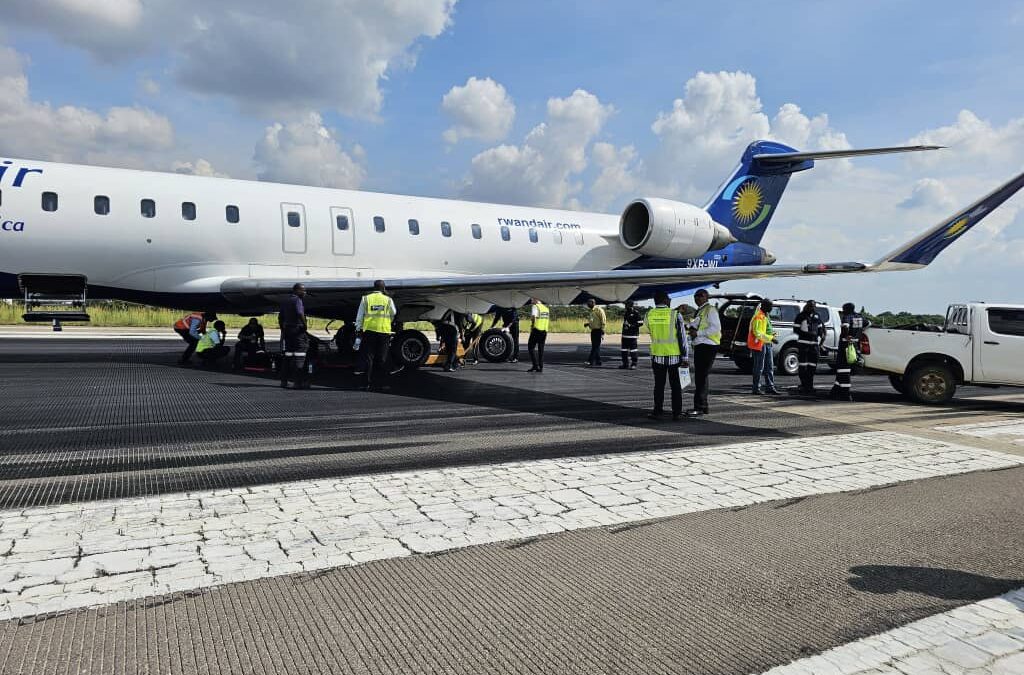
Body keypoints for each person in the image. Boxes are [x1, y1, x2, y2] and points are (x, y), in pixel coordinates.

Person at [646, 291, 689, 420]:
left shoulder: (649, 314)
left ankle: (657, 411)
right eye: (669, 299)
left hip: (657, 355)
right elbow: (682, 337)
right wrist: (685, 357)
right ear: (665, 300)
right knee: (675, 386)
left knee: (659, 386)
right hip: (674, 356)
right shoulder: (675, 315)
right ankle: (677, 413)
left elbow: (650, 329)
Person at [355, 279, 400, 389]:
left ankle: (367, 384)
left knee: (368, 358)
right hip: (384, 332)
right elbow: (394, 312)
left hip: (369, 331)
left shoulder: (366, 299)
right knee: (382, 358)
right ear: (383, 288)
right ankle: (383, 384)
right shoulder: (388, 300)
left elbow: (360, 316)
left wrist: (358, 329)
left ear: (374, 287)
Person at [686, 289, 721, 416]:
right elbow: (697, 325)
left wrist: (698, 333)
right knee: (701, 377)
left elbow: (715, 328)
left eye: (700, 295)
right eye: (695, 296)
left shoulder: (710, 310)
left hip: (708, 346)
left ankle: (699, 407)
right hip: (701, 346)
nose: (697, 298)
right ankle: (703, 406)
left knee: (701, 377)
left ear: (707, 297)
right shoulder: (700, 310)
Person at [830, 302, 866, 401]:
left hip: (845, 345)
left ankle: (846, 394)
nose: (843, 311)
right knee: (843, 370)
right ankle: (834, 391)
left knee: (843, 369)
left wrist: (847, 335)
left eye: (844, 309)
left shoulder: (847, 317)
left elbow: (845, 327)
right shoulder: (859, 317)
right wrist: (859, 333)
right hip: (855, 345)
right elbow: (868, 324)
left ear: (847, 309)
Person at [278, 283, 310, 389]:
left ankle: (284, 381)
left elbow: (280, 317)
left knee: (287, 358)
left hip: (288, 332)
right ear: (296, 290)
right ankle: (298, 383)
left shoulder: (285, 301)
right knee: (300, 357)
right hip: (297, 332)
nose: (305, 292)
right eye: (303, 290)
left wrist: (283, 329)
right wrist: (305, 326)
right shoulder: (297, 300)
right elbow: (299, 313)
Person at [748, 299, 781, 395]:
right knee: (759, 367)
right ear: (764, 306)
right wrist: (771, 338)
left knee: (769, 366)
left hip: (767, 343)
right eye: (770, 306)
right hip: (760, 344)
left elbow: (766, 329)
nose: (771, 308)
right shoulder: (758, 316)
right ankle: (756, 388)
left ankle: (770, 387)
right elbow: (757, 332)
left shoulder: (766, 316)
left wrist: (772, 335)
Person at [793, 300, 826, 395]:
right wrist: (808, 334)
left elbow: (820, 328)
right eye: (811, 306)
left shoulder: (817, 316)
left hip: (814, 346)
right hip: (803, 345)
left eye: (814, 306)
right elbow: (796, 329)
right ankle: (804, 385)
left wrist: (822, 335)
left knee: (812, 367)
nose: (813, 308)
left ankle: (809, 386)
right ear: (807, 306)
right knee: (803, 366)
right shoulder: (801, 316)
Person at [527, 297, 550, 373]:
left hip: (536, 329)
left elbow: (534, 317)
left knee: (530, 347)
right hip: (544, 331)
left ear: (536, 300)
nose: (531, 300)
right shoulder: (546, 308)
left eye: (532, 299)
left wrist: (532, 326)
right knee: (541, 349)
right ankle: (541, 366)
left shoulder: (535, 306)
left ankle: (535, 365)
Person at [619, 300, 643, 369]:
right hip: (625, 335)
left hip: (632, 335)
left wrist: (631, 326)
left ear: (630, 305)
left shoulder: (636, 313)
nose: (625, 306)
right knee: (624, 350)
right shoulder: (626, 312)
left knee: (633, 350)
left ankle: (634, 364)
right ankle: (625, 364)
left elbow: (641, 323)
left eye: (626, 305)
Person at [583, 298, 607, 366]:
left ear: (593, 303)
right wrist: (588, 324)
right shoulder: (592, 311)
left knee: (595, 347)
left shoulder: (599, 310)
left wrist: (602, 331)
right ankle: (598, 361)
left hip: (598, 330)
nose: (588, 304)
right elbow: (594, 321)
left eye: (589, 303)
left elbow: (603, 320)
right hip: (593, 330)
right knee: (595, 346)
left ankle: (590, 361)